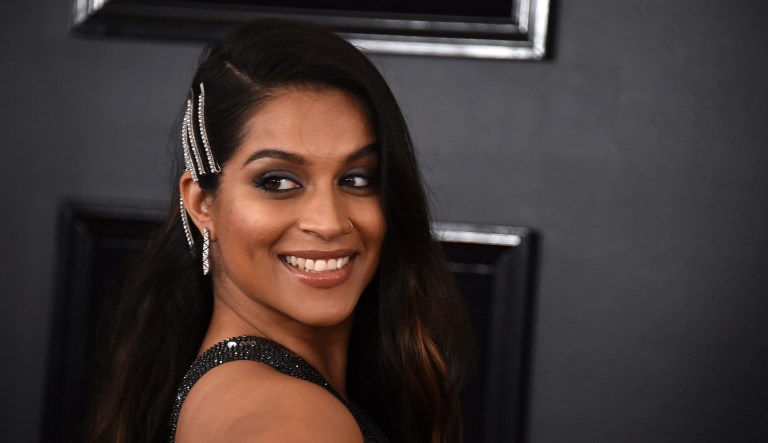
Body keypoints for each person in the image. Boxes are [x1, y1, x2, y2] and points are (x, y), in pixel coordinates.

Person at [86, 18, 471, 443]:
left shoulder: (242, 393)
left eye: (357, 179)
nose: (328, 223)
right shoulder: (292, 424)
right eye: (278, 182)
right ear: (202, 204)